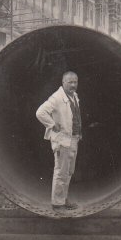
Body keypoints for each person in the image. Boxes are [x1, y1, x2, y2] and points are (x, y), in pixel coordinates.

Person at [36, 71, 82, 210]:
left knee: (68, 171)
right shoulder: (56, 98)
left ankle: (63, 198)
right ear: (63, 82)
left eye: (75, 82)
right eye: (70, 82)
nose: (73, 85)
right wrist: (51, 124)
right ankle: (57, 203)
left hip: (73, 138)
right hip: (62, 140)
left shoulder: (74, 96)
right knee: (61, 171)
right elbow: (40, 112)